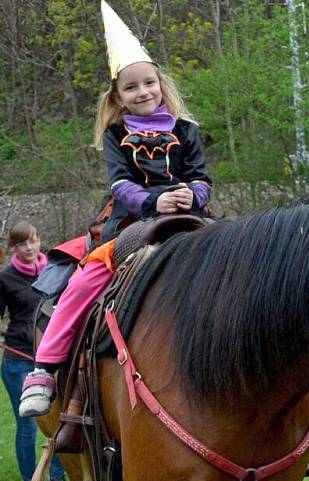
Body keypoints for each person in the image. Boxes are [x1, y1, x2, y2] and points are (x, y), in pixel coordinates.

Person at [18, 1, 212, 418]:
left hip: (187, 215)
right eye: (132, 87)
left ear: (161, 84)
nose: (143, 92)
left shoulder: (187, 131)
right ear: (119, 97)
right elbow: (120, 184)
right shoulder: (115, 134)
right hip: (132, 221)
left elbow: (201, 177)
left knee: (244, 261)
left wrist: (191, 196)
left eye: (149, 83)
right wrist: (154, 200)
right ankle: (44, 368)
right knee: (85, 281)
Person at [0, 222, 71, 481]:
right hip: (18, 359)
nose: (29, 248)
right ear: (14, 248)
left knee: (54, 419)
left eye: (33, 241)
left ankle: (56, 477)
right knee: (28, 424)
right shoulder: (6, 279)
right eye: (22, 244)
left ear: (39, 241)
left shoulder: (56, 271)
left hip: (50, 357)